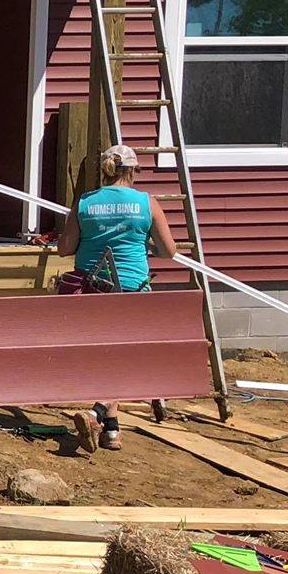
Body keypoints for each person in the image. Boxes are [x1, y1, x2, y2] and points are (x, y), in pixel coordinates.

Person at [55, 144, 177, 453]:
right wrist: (143, 242)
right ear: (133, 172)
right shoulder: (145, 203)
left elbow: (65, 248)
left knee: (110, 356)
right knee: (125, 358)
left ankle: (111, 429)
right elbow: (169, 250)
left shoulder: (85, 203)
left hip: (92, 288)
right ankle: (97, 414)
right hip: (132, 290)